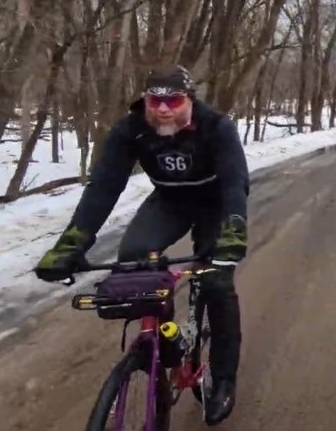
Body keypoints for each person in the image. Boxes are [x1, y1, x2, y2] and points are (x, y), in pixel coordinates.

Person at [34, 65, 249, 426]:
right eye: (155, 100)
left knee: (216, 281)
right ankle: (162, 342)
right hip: (169, 201)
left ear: (189, 101)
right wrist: (72, 242)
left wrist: (234, 231)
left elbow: (234, 184)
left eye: (173, 100)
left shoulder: (217, 127)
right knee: (134, 261)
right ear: (145, 101)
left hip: (215, 204)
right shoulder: (131, 129)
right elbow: (103, 187)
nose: (163, 109)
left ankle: (224, 377)